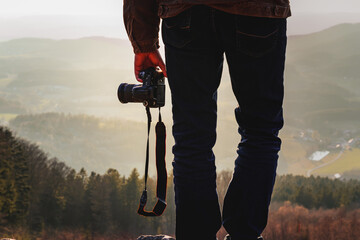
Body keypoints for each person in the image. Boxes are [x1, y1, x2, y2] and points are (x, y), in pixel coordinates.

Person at [123, 1, 291, 240]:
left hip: (185, 12)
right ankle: (244, 234)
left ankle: (196, 234)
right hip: (257, 11)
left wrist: (143, 41)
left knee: (192, 139)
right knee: (260, 131)